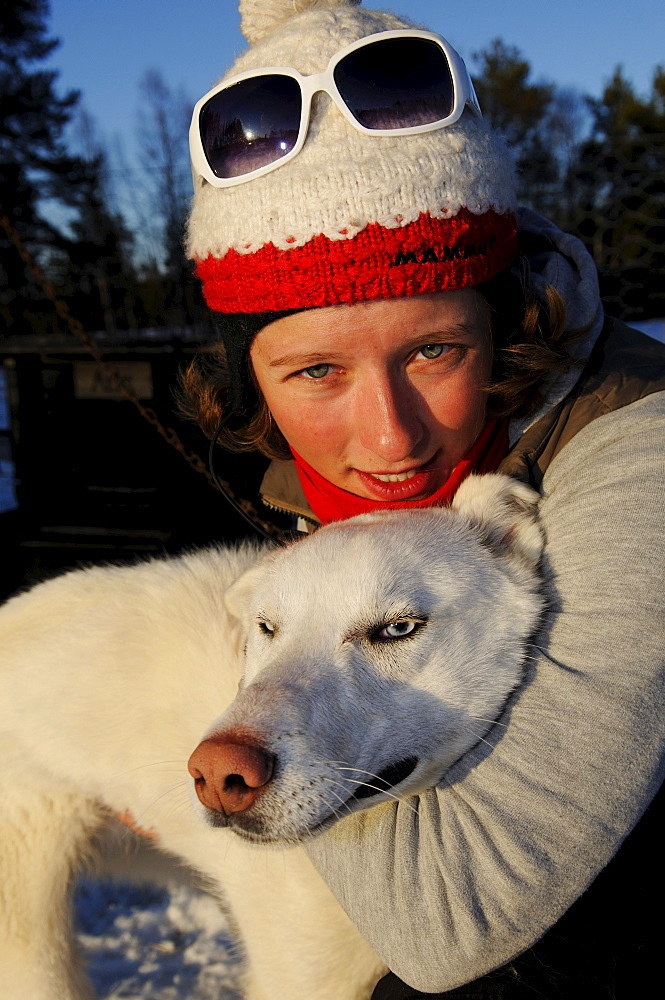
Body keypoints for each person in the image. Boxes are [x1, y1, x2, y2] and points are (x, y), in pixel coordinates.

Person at [181, 1, 665, 995]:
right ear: (250, 383)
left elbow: (449, 922)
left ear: (505, 325)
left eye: (432, 350)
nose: (391, 439)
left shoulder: (639, 455)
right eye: (315, 372)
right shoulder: (320, 486)